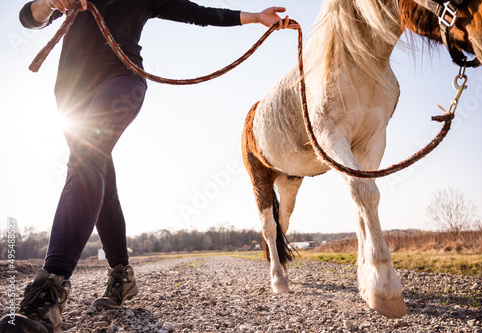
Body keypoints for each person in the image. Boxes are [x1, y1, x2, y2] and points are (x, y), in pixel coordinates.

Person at [0, 0, 299, 332]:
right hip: (70, 97)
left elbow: (197, 14)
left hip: (121, 82)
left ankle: (47, 294)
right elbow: (30, 18)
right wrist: (47, 2)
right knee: (102, 185)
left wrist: (255, 17)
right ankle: (121, 275)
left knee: (85, 162)